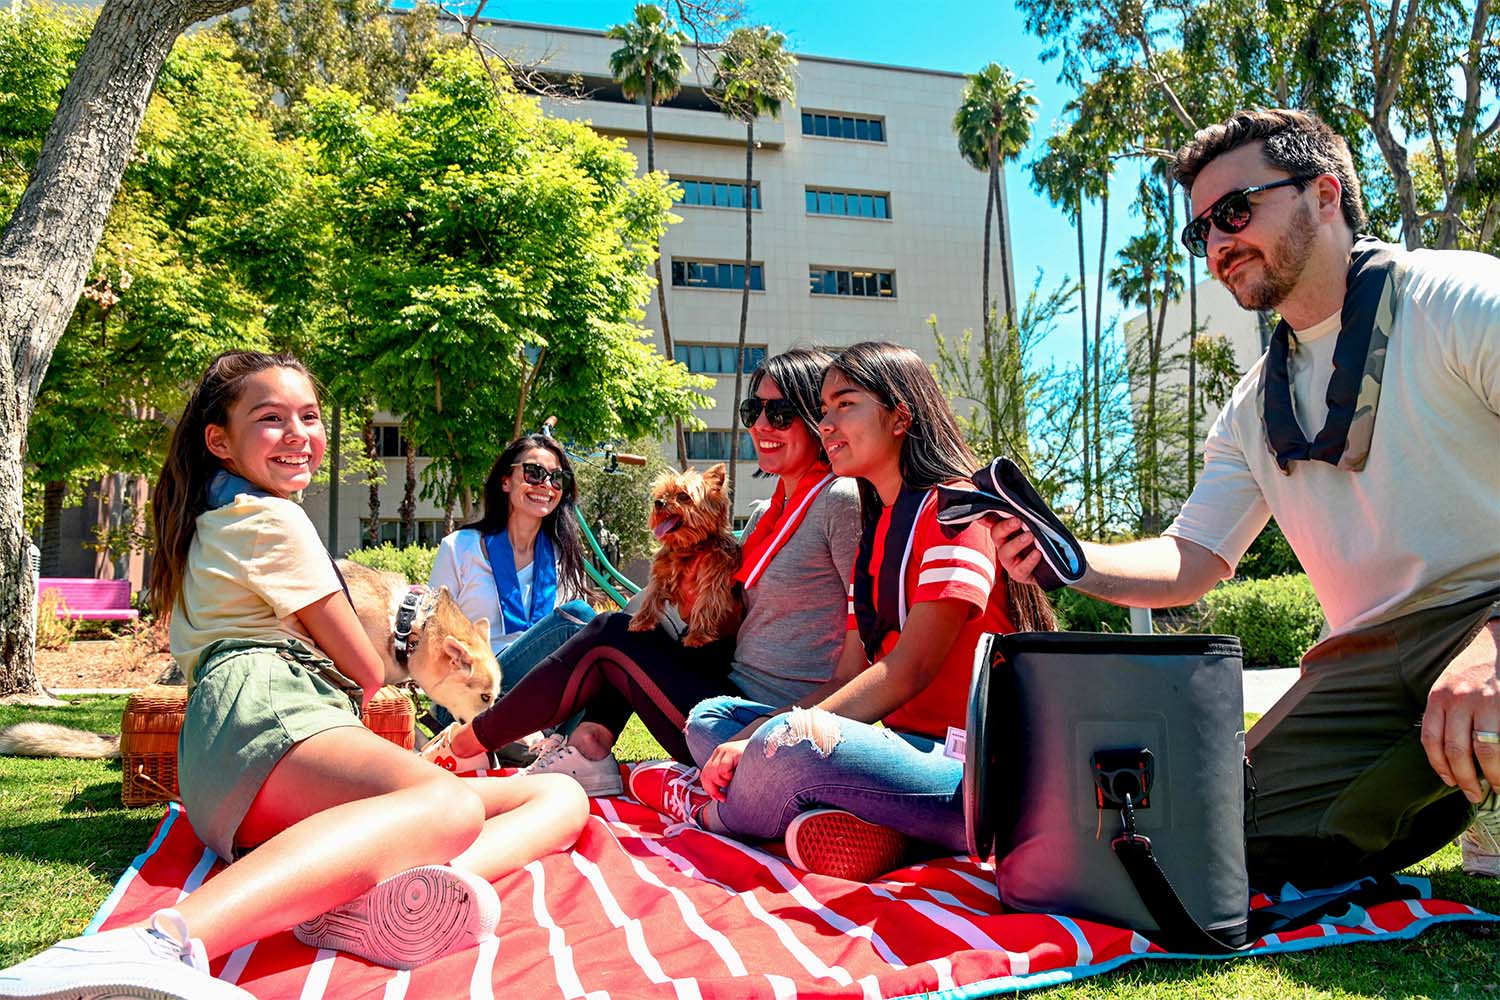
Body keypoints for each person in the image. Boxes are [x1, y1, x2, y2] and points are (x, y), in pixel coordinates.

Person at [994, 109, 1500, 888]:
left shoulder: (1460, 298)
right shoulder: (1251, 403)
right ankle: (1442, 796)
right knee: (1213, 844)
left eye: (1235, 211)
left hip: (1487, 615)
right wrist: (1068, 559)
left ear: (1325, 194)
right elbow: (1192, 558)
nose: (1218, 244)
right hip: (1367, 660)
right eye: (1201, 233)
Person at [0, 352, 588, 999]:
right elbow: (365, 670)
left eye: (308, 416)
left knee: (558, 797)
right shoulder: (272, 519)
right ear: (220, 440)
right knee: (449, 804)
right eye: (271, 418)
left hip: (229, 760)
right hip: (267, 717)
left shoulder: (215, 517)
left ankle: (363, 893)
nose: (299, 432)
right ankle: (157, 938)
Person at [637, 341, 1055, 882]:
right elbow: (849, 673)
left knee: (791, 742)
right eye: (823, 409)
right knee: (713, 720)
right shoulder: (876, 527)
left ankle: (708, 809)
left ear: (900, 416)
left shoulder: (956, 511)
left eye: (844, 405)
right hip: (903, 751)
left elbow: (909, 669)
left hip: (972, 772)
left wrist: (777, 734)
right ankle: (879, 827)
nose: (825, 423)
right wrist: (763, 728)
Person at [422, 348, 862, 797]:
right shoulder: (765, 513)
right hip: (727, 690)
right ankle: (586, 748)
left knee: (610, 632)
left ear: (816, 418)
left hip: (757, 724)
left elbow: (863, 656)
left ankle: (467, 743)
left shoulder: (838, 500)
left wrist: (773, 729)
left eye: (781, 412)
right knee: (629, 622)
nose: (762, 426)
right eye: (754, 410)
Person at [426, 434, 596, 730]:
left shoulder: (563, 558)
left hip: (540, 702)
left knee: (606, 646)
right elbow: (432, 638)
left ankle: (561, 747)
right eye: (534, 473)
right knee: (579, 618)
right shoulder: (460, 548)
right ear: (506, 481)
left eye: (558, 479)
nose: (546, 485)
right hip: (467, 697)